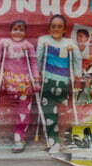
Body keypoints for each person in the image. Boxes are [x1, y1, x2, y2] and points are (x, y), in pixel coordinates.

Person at [0, 20, 39, 152]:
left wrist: (36, 79)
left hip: (24, 83)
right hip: (8, 81)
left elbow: (34, 63)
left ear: (25, 32)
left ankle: (19, 137)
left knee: (23, 110)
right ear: (10, 30)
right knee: (15, 108)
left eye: (21, 29)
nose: (18, 32)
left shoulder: (28, 45)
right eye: (15, 29)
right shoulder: (4, 43)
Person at [35, 14, 81, 149]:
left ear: (64, 29)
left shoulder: (70, 43)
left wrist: (77, 75)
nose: (56, 29)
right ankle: (53, 140)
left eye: (59, 27)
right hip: (47, 81)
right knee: (49, 111)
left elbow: (77, 59)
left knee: (64, 111)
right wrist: (37, 73)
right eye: (53, 26)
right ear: (49, 29)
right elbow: (38, 58)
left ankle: (71, 137)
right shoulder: (43, 40)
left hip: (63, 82)